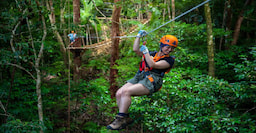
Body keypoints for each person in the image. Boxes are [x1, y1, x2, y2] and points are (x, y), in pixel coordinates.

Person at [106, 30, 179, 130]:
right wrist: (138, 36)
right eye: (168, 47)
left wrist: (146, 52)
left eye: (172, 48)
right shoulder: (153, 53)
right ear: (161, 45)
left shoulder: (169, 60)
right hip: (141, 76)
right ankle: (125, 117)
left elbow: (153, 64)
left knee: (127, 91)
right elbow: (136, 50)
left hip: (152, 81)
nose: (170, 50)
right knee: (119, 93)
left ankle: (120, 118)